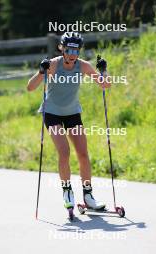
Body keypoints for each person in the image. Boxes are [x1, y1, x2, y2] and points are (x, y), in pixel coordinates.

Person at [27, 32, 110, 211]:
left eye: (76, 50)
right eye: (69, 49)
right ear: (61, 48)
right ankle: (67, 191)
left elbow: (105, 84)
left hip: (72, 113)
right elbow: (30, 87)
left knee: (83, 153)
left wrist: (103, 70)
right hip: (52, 113)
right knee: (64, 153)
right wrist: (41, 71)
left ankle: (88, 195)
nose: (72, 53)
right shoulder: (53, 65)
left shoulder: (84, 66)